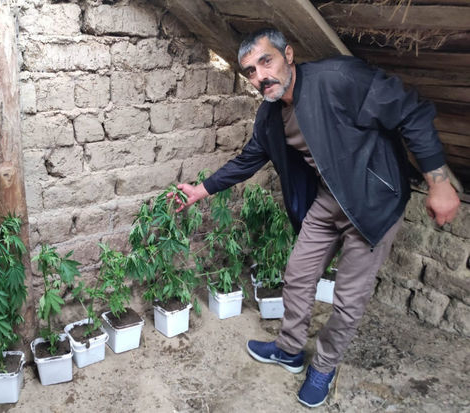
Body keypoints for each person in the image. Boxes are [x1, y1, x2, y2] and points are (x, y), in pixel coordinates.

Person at [173, 28, 460, 408]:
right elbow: (248, 160)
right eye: (251, 71)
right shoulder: (270, 116)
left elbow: (411, 110)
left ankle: (323, 367)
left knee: (348, 300)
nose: (261, 76)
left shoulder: (339, 78)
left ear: (288, 55)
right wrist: (201, 190)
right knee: (297, 276)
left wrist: (439, 182)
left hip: (373, 205)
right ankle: (289, 349)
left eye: (266, 61)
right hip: (327, 203)